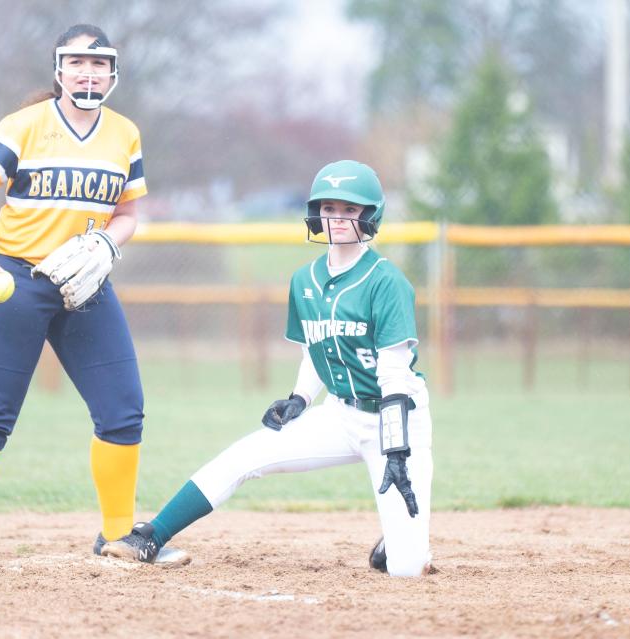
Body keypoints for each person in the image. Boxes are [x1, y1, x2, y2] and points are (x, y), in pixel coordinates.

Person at [101, 160, 434, 577]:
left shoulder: (386, 281)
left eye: (350, 209)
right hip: (341, 414)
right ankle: (150, 536)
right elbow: (315, 350)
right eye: (329, 208)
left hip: (397, 419)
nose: (337, 218)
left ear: (371, 215)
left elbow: (395, 372)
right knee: (245, 455)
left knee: (406, 569)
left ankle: (400, 539)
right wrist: (300, 397)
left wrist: (396, 447)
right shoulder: (305, 280)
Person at [0, 24, 161, 565]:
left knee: (124, 410)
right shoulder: (23, 125)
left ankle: (117, 535)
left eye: (98, 64)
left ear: (113, 73)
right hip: (18, 280)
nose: (87, 73)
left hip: (85, 283)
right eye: (76, 63)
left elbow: (129, 213)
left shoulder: (125, 134)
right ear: (58, 70)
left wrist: (106, 244)